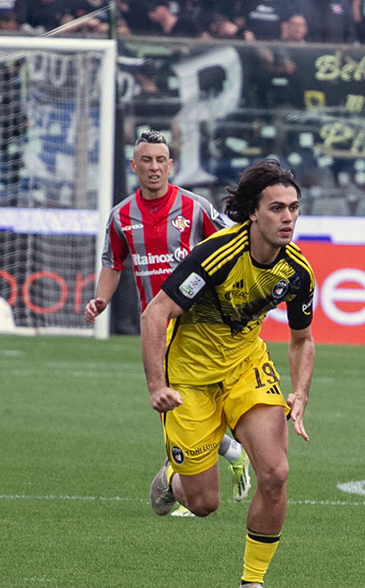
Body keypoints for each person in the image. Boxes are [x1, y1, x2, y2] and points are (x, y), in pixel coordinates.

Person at [141, 159, 316, 588]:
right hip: (189, 380)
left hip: (245, 369)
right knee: (204, 504)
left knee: (275, 473)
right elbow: (155, 314)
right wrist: (156, 385)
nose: (288, 217)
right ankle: (172, 477)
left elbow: (302, 339)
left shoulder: (296, 270)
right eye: (276, 208)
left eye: (294, 208)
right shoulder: (216, 255)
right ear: (253, 213)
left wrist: (300, 393)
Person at [85, 131, 249, 513]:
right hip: (158, 330)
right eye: (146, 160)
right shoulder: (121, 217)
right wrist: (101, 299)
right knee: (175, 407)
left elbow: (232, 246)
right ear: (134, 166)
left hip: (201, 325)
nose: (154, 167)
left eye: (161, 160)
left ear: (171, 165)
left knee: (195, 404)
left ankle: (190, 473)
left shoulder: (196, 207)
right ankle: (210, 461)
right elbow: (112, 263)